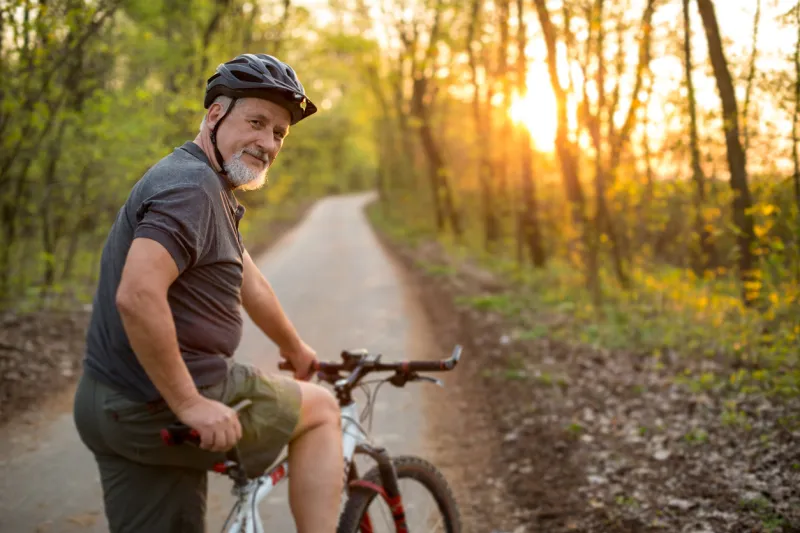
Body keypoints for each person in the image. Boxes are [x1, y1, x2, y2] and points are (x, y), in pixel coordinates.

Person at [73, 54, 343, 533]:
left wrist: (294, 348)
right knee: (321, 410)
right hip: (156, 402)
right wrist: (189, 403)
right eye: (257, 122)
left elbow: (248, 278)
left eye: (279, 133)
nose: (268, 142)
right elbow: (137, 295)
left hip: (109, 402)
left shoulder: (201, 181)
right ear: (215, 115)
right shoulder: (192, 190)